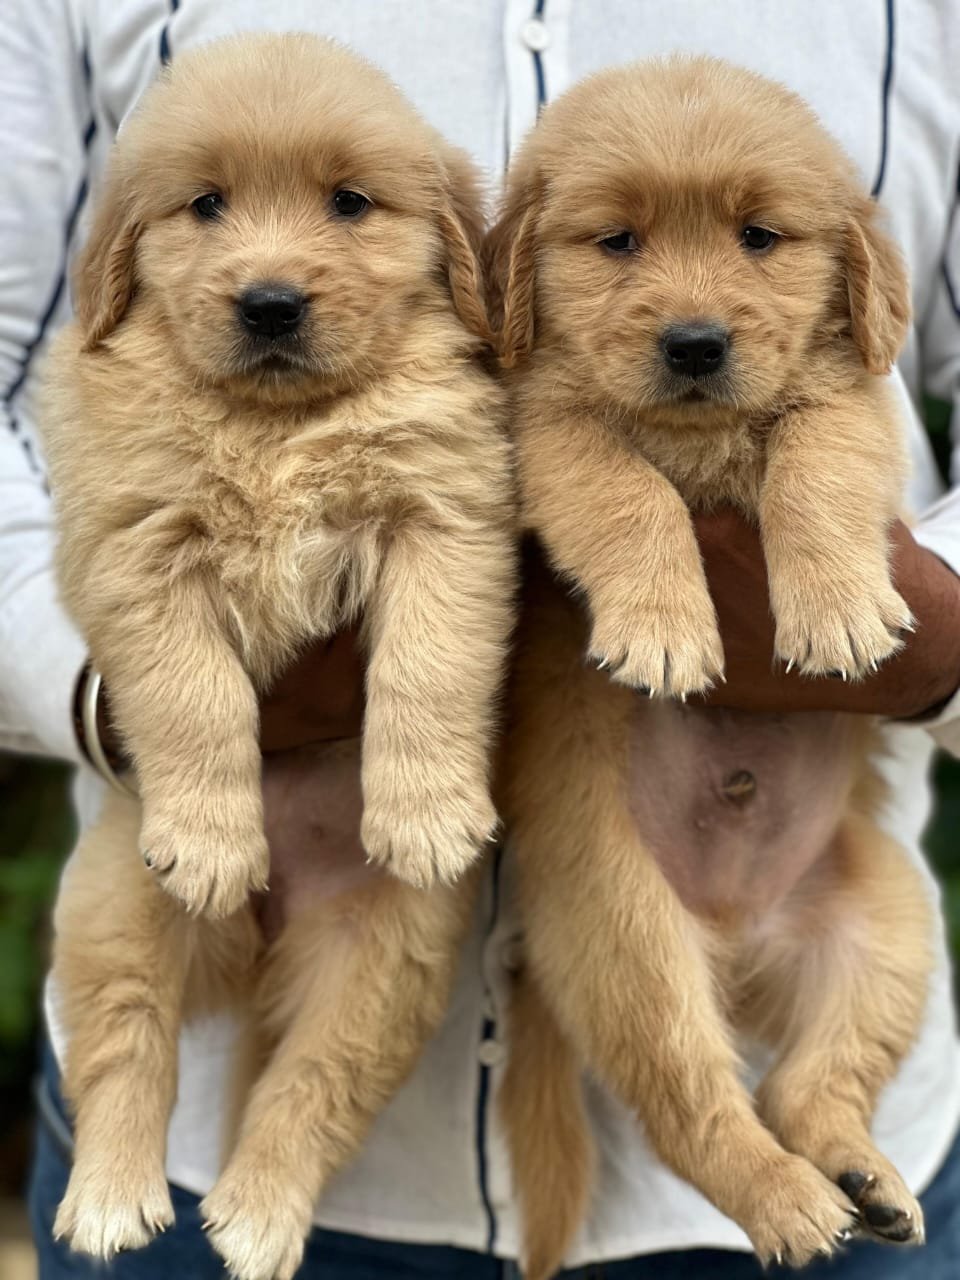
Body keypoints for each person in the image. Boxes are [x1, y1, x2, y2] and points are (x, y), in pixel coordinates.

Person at [3, 2, 960, 1276]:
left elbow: (852, 377)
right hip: (199, 1097)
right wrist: (110, 690)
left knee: (861, 940)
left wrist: (941, 637)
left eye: (757, 236)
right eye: (615, 242)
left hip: (835, 1069)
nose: (690, 299)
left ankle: (809, 1116)